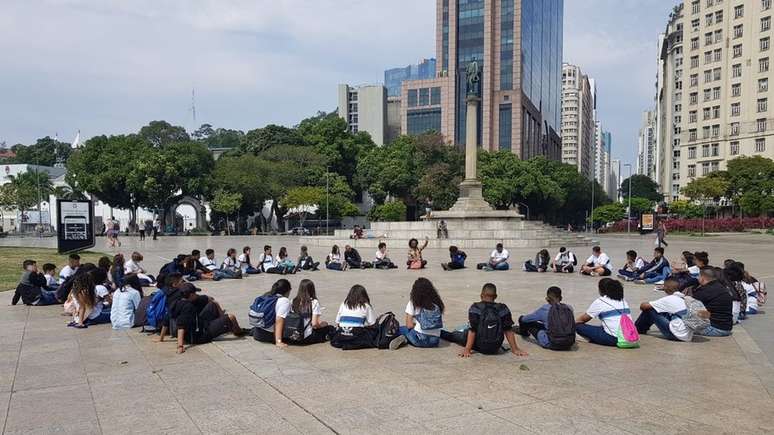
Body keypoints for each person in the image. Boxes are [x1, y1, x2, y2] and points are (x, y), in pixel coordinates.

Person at [440, 283, 527, 357]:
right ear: (495, 296)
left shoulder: (475, 308)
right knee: (464, 328)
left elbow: (472, 330)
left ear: (481, 295)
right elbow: (508, 330)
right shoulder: (502, 309)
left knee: (454, 335)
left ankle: (438, 332)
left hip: (478, 345)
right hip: (495, 347)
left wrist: (467, 349)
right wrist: (515, 349)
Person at [171, 283, 246, 354]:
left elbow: (210, 299)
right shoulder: (188, 308)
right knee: (231, 317)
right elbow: (181, 327)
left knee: (213, 304)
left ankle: (221, 320)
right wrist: (180, 346)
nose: (197, 295)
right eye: (195, 293)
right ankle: (238, 331)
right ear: (191, 295)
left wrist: (161, 338)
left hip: (199, 324)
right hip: (200, 336)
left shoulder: (178, 301)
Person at [389, 278, 444, 349]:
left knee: (400, 329)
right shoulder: (436, 302)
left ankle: (406, 339)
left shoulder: (413, 302)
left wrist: (416, 325)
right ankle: (406, 339)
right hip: (435, 341)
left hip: (418, 340)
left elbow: (409, 325)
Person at [575, 278, 632, 346]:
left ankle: (589, 339)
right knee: (602, 327)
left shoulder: (601, 301)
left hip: (614, 339)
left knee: (577, 326)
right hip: (631, 338)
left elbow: (582, 319)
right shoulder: (623, 300)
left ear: (601, 290)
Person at [516, 286, 576, 350]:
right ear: (561, 298)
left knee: (524, 320)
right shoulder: (569, 308)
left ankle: (523, 333)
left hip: (552, 343)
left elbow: (525, 319)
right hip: (569, 343)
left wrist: (521, 318)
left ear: (547, 298)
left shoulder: (545, 309)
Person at [286, 279, 334, 344]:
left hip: (292, 335)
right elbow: (314, 324)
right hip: (306, 338)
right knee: (330, 328)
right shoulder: (314, 302)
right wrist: (323, 324)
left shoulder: (293, 301)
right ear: (312, 290)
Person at [331, 284, 378, 349]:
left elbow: (337, 322)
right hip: (356, 334)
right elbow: (372, 323)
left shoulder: (343, 304)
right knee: (374, 332)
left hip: (342, 335)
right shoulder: (366, 306)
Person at [691, 267, 733, 336]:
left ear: (702, 278)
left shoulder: (705, 290)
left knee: (676, 324)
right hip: (726, 327)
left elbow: (690, 306)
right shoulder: (721, 287)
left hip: (715, 328)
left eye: (698, 276)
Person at [252, 279, 293, 346]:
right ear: (288, 290)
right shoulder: (284, 301)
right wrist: (278, 341)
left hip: (257, 333)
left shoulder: (266, 295)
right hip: (269, 336)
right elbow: (279, 320)